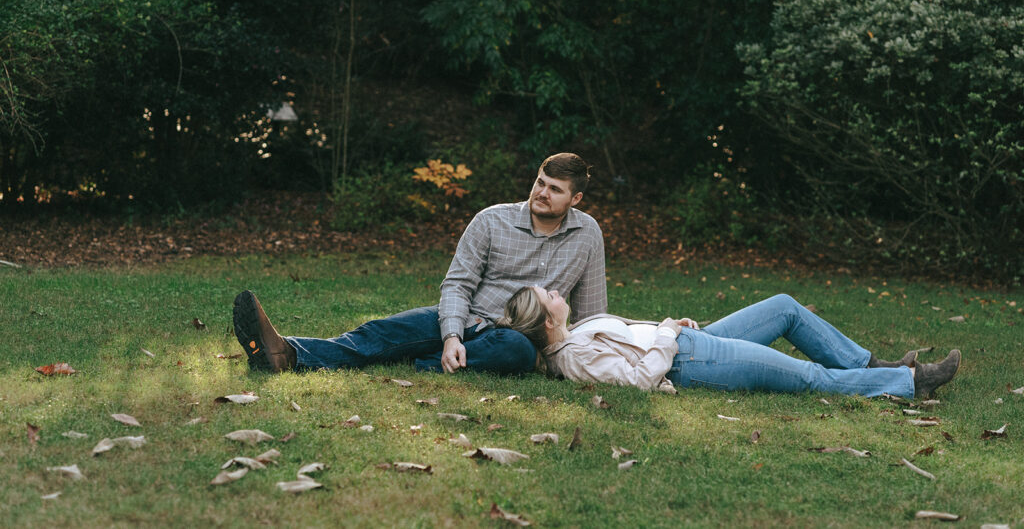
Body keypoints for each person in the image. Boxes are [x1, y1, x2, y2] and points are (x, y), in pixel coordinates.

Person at [233, 152, 607, 376]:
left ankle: (424, 361)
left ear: (574, 198)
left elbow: (593, 312)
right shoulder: (492, 220)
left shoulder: (588, 234)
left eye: (554, 189)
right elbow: (458, 285)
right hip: (468, 317)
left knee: (516, 351)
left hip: (517, 338)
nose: (542, 193)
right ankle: (287, 352)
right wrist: (452, 336)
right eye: (540, 182)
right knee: (379, 333)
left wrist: (594, 356)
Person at [497, 287, 961, 399]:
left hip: (692, 339)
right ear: (547, 321)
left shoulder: (573, 336)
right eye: (549, 297)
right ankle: (909, 383)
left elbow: (631, 339)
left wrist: (671, 325)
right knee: (806, 376)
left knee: (784, 307)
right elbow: (640, 378)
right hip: (694, 361)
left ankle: (872, 362)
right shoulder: (573, 358)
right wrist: (666, 333)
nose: (558, 292)